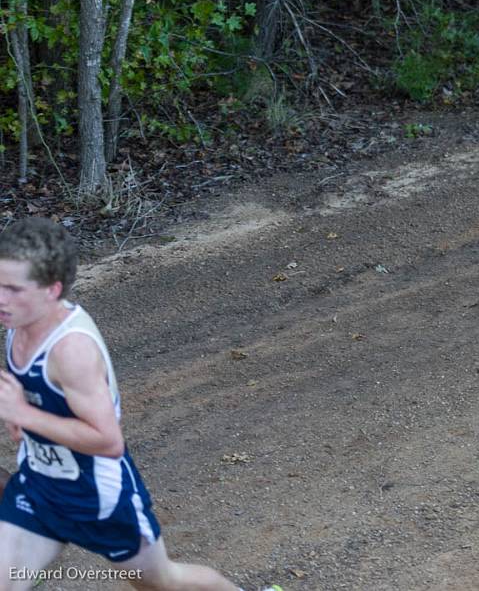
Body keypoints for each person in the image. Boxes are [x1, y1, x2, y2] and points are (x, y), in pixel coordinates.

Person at [0, 218, 278, 591]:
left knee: (164, 583)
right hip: (39, 486)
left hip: (98, 498)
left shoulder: (71, 350)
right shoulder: (18, 318)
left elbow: (108, 440)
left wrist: (24, 414)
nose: (1, 297)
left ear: (52, 291)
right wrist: (19, 418)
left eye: (14, 289)